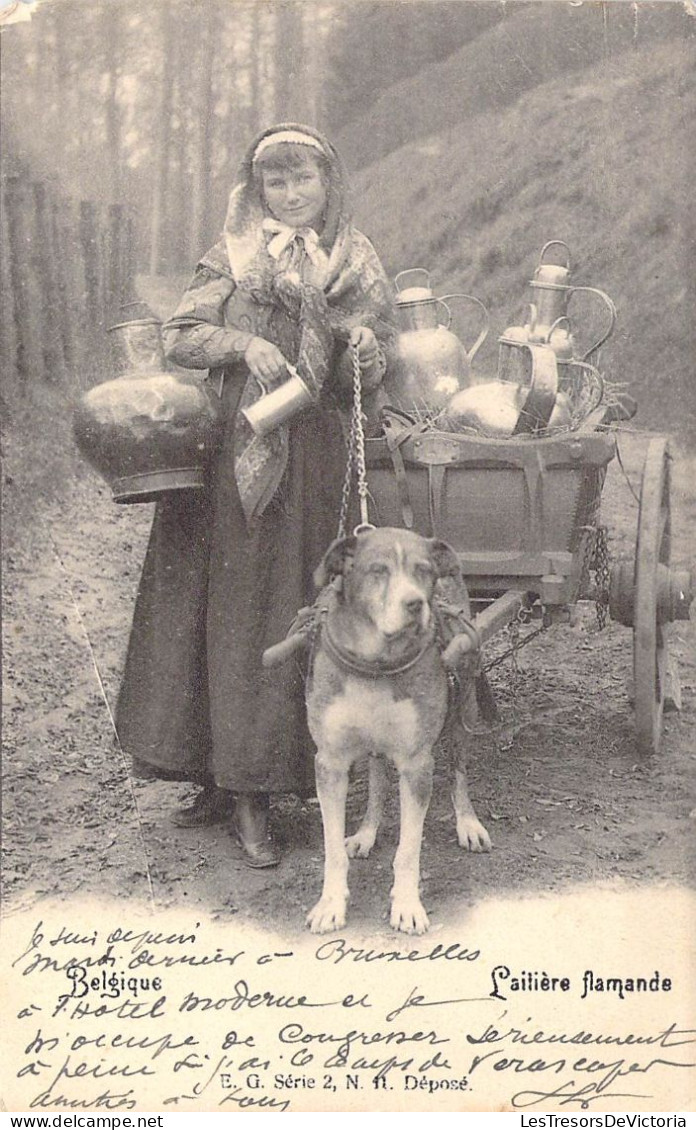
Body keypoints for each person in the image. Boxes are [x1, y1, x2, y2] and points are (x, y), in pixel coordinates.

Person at [116, 123, 394, 867]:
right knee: (224, 613)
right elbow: (181, 334)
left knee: (285, 609)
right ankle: (228, 788)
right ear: (257, 188)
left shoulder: (355, 261)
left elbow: (375, 358)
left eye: (304, 179)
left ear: (329, 184)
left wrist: (365, 347)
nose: (292, 193)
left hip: (312, 460)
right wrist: (245, 344)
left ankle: (266, 784)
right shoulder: (232, 253)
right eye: (276, 180)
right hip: (230, 455)